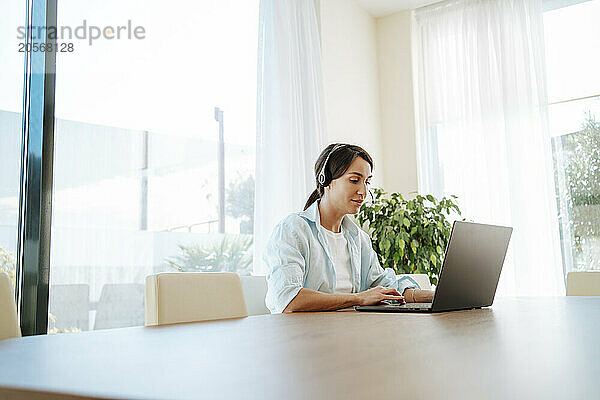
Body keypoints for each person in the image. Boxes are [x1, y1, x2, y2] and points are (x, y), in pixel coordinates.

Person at [264, 143, 435, 313]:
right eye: (354, 180)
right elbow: (288, 299)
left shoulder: (358, 238)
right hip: (304, 335)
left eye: (367, 182)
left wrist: (435, 296)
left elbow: (386, 286)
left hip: (348, 331)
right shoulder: (293, 229)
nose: (363, 191)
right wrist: (359, 298)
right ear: (326, 181)